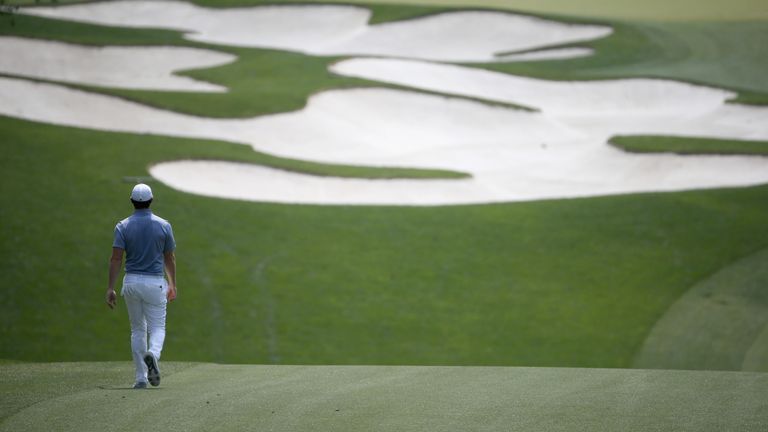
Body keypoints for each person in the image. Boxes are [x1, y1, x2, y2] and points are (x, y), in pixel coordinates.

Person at [105, 183, 177, 389]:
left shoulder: (123, 226)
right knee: (158, 328)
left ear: (132, 202)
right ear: (151, 201)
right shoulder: (164, 225)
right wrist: (172, 283)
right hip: (155, 283)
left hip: (131, 282)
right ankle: (153, 355)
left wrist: (110, 287)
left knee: (137, 329)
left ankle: (140, 378)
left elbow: (115, 259)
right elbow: (169, 257)